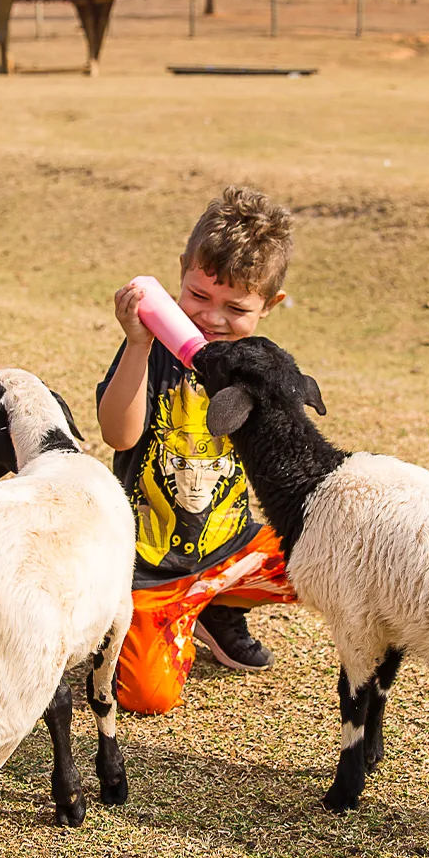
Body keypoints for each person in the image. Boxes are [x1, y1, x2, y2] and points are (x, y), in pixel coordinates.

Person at [96, 186, 300, 715]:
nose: (211, 317)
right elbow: (118, 435)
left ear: (270, 306)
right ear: (180, 273)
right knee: (148, 699)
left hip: (231, 545)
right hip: (150, 564)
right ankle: (168, 612)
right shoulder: (153, 348)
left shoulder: (258, 365)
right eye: (198, 296)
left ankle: (216, 603)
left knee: (330, 561)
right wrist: (138, 343)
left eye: (236, 307)